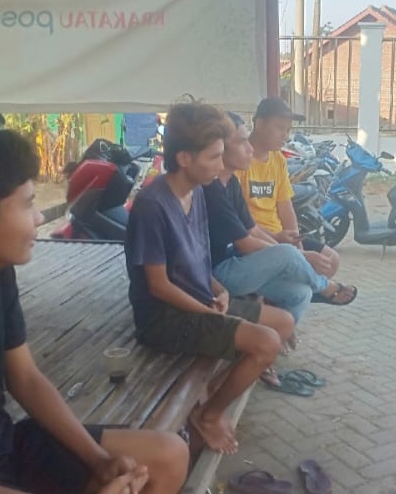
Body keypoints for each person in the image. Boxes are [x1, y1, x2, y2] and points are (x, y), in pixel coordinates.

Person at [0, 122, 189, 494]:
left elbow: (26, 378)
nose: (40, 218)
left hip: (6, 449)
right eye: (28, 204)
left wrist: (98, 459)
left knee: (169, 455)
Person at [124, 102, 294, 455]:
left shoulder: (197, 192)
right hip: (165, 318)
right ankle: (209, 415)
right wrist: (209, 312)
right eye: (214, 157)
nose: (221, 164)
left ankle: (210, 397)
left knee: (283, 322)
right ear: (184, 158)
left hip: (202, 300)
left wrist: (219, 290)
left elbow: (201, 255)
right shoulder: (152, 205)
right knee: (265, 343)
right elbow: (158, 285)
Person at [203, 112, 357, 335]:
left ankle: (276, 341)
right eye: (242, 142)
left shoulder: (231, 184)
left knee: (300, 293)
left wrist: (294, 250)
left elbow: (253, 229)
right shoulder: (212, 191)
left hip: (240, 262)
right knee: (287, 254)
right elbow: (245, 242)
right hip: (219, 274)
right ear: (220, 148)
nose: (249, 149)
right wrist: (298, 255)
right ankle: (325, 287)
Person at [238, 97, 341, 278]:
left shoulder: (278, 159)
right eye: (279, 128)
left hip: (282, 238)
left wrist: (298, 244)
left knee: (331, 260)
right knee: (301, 281)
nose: (285, 136)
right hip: (255, 240)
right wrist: (295, 253)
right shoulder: (238, 160)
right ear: (259, 124)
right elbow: (240, 222)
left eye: (288, 130)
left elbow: (285, 206)